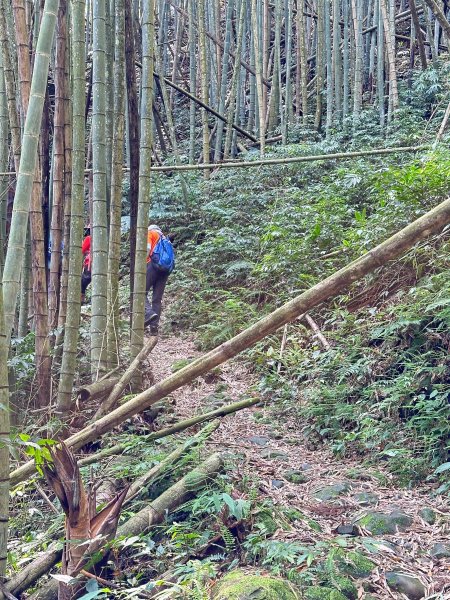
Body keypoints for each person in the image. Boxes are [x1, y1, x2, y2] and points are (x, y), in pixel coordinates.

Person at [145, 224, 175, 335]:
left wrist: (143, 262)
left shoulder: (150, 233)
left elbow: (147, 248)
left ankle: (148, 313)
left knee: (141, 292)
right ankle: (154, 328)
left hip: (152, 266)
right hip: (165, 271)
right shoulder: (165, 239)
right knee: (157, 299)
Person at [81, 226, 91, 304]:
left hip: (90, 264)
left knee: (83, 281)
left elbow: (82, 249)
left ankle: (81, 299)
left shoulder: (88, 238)